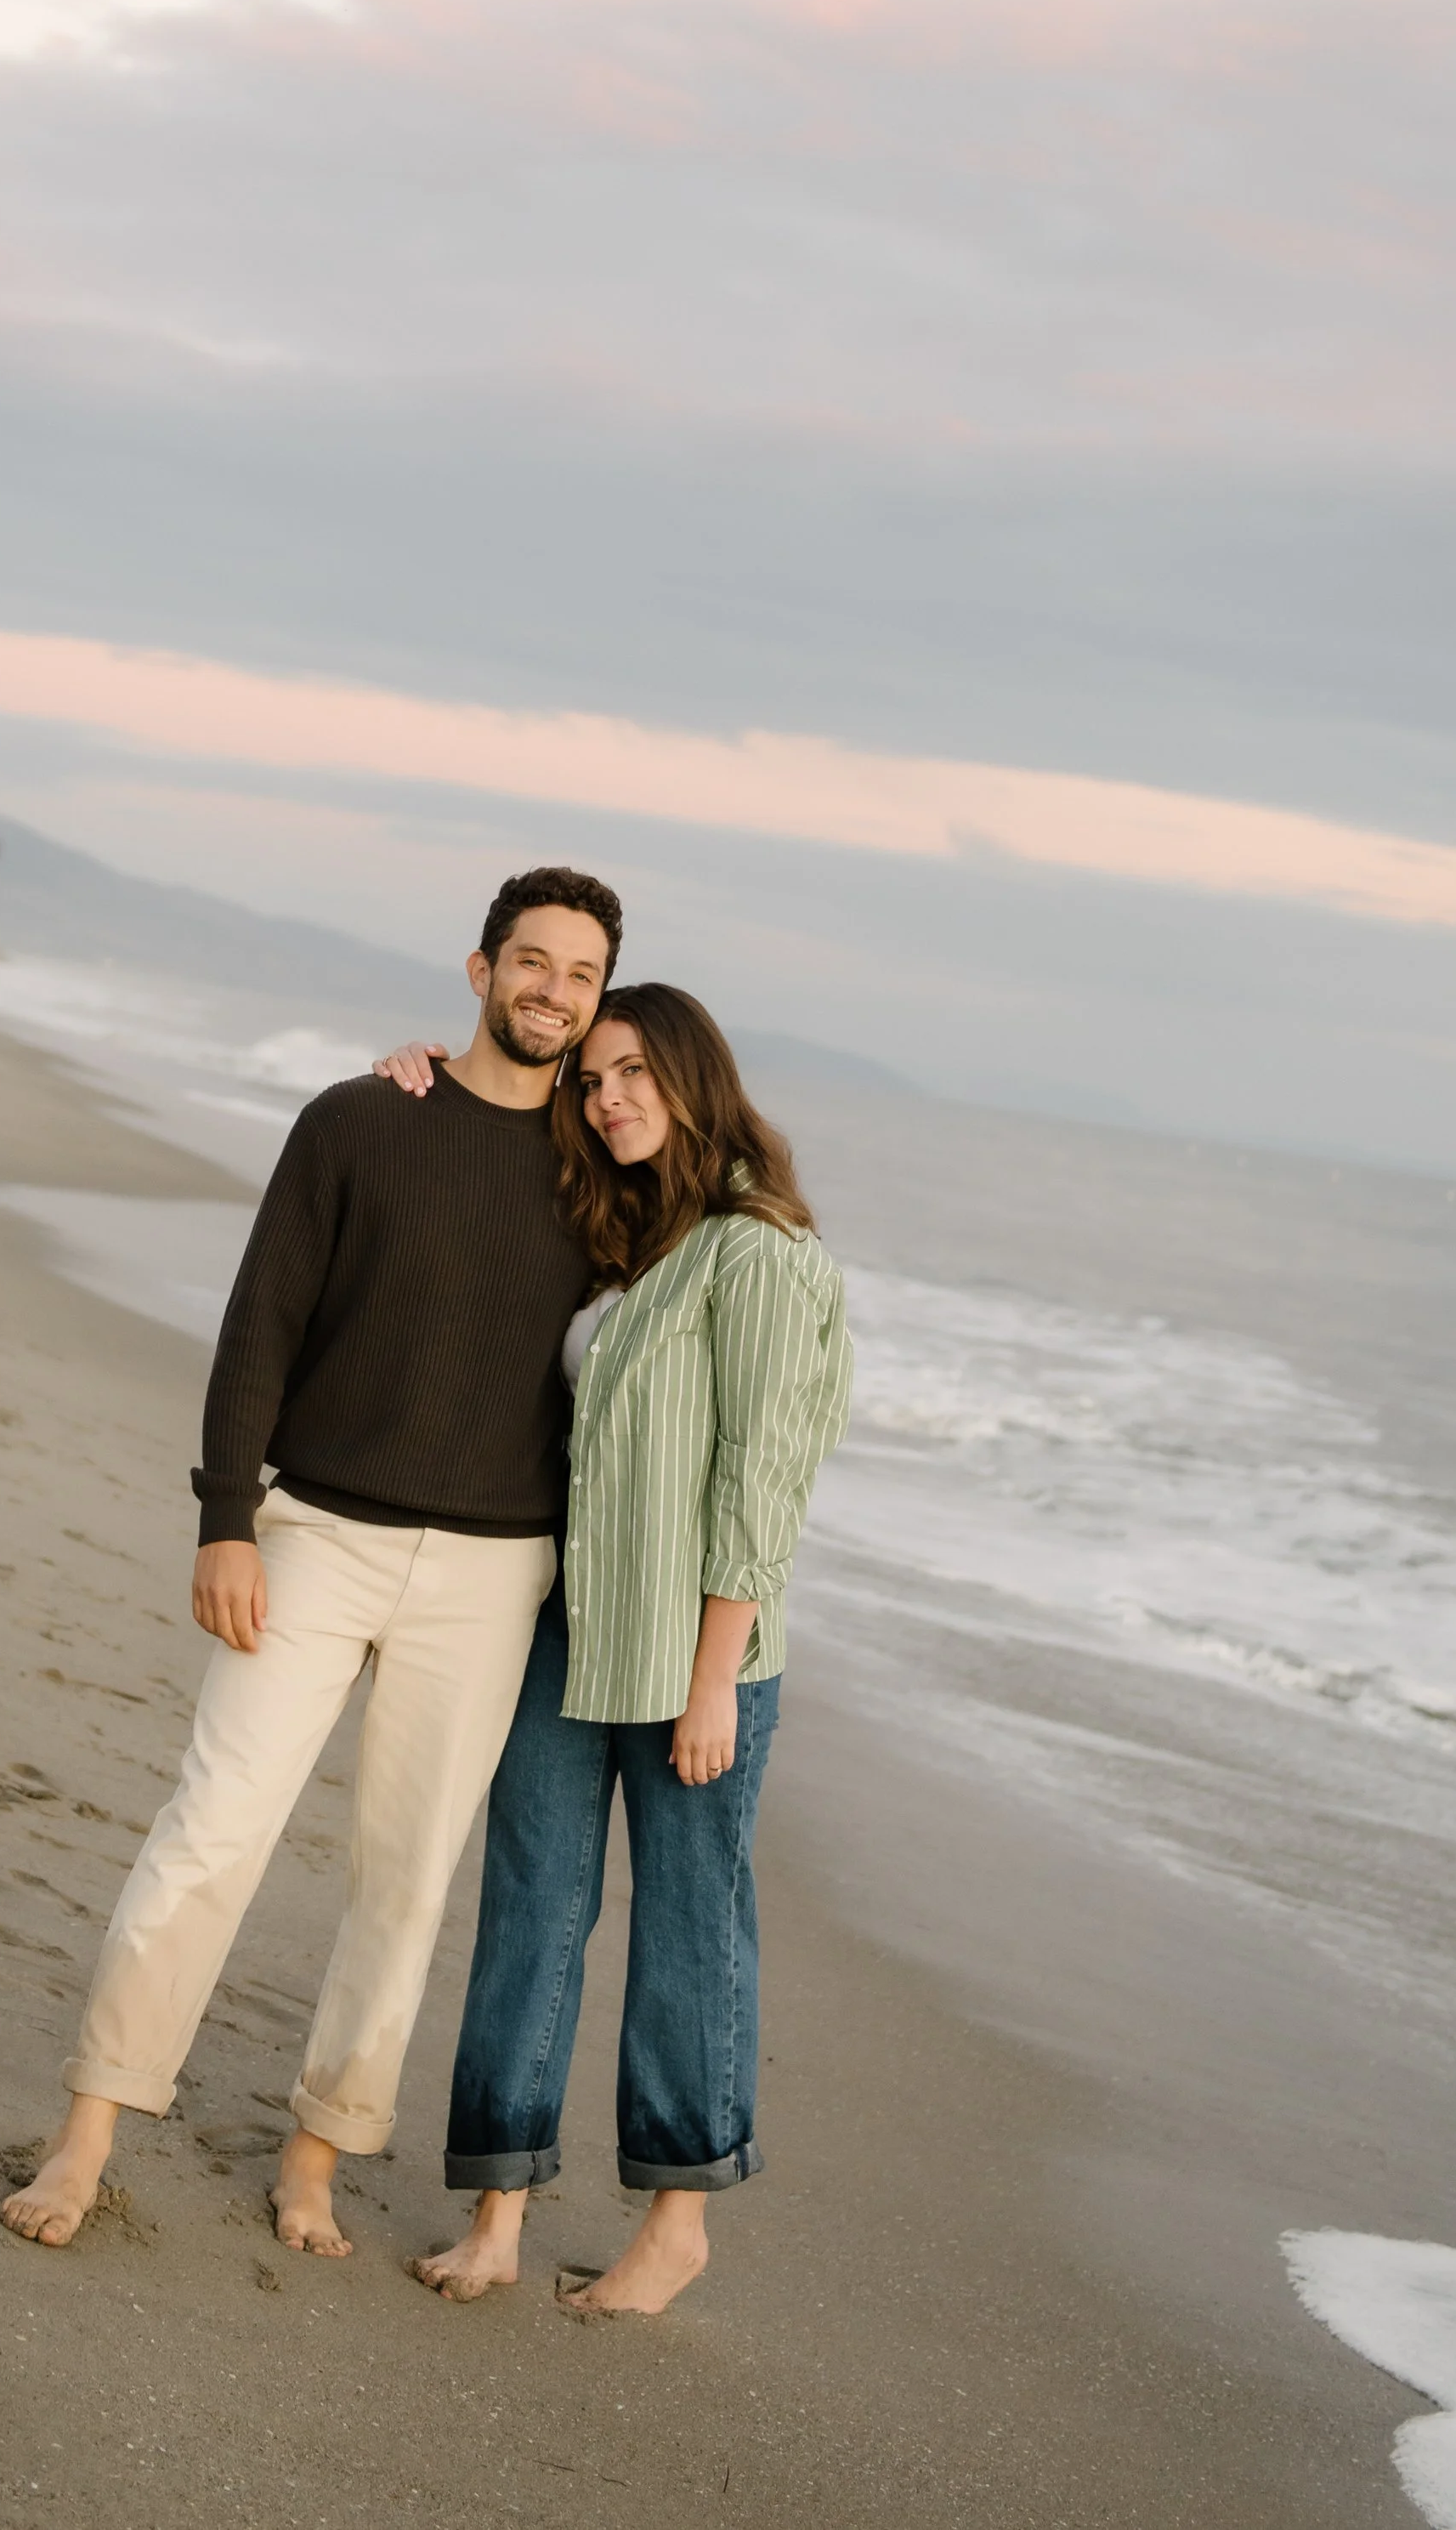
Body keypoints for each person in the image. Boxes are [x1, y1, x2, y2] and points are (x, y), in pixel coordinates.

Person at [0, 865, 624, 2260]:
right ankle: (91, 2124)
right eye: (532, 962)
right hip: (315, 1536)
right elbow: (260, 1325)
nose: (553, 991)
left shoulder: (604, 1176)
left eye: (581, 976)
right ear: (478, 970)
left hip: (493, 1573)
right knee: (211, 1831)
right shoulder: (356, 1117)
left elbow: (719, 1221)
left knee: (403, 1882)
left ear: (597, 1002)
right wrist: (226, 1513)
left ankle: (316, 2155)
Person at [377, 983, 851, 2316]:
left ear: (697, 1076)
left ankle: (678, 2221)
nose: (608, 1097)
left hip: (698, 1664)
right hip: (568, 1638)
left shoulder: (758, 1255)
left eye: (635, 1071)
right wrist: (418, 1064)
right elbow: (487, 1126)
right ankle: (500, 2208)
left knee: (690, 1934)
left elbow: (761, 1483)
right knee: (531, 1908)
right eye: (593, 1079)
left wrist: (713, 1682)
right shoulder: (630, 1232)